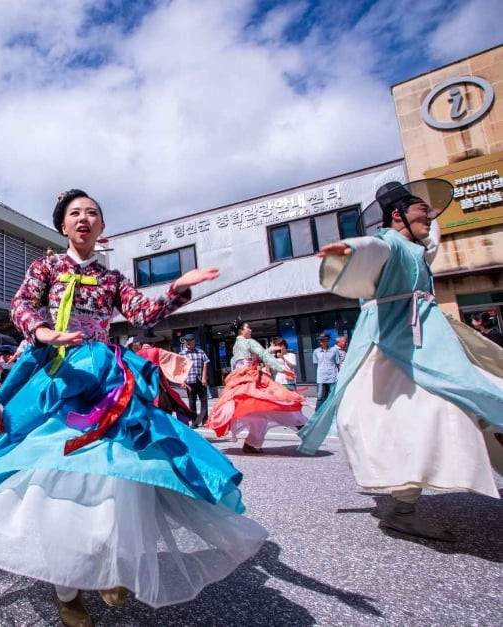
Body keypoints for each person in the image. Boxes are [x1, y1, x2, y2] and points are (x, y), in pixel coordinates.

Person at [0, 189, 266, 625]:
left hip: (106, 376)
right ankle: (66, 589)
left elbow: (142, 313)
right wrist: (43, 332)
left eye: (92, 213)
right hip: (59, 371)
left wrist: (177, 288)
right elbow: (22, 304)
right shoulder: (46, 267)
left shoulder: (112, 277)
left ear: (102, 227)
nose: (84, 219)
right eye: (75, 213)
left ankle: (107, 562)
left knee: (118, 468)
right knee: (57, 469)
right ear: (63, 225)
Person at [298, 179, 503, 542]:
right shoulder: (390, 242)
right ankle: (403, 510)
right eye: (423, 211)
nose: (430, 216)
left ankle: (405, 507)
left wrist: (425, 219)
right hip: (395, 347)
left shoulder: (416, 248)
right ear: (398, 216)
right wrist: (348, 251)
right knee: (432, 415)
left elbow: (431, 240)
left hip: (429, 345)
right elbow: (372, 248)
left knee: (476, 399)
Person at [208, 319, 305, 454]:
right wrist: (283, 369)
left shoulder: (235, 345)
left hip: (239, 379)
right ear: (241, 330)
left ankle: (251, 444)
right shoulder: (249, 342)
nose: (250, 330)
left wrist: (268, 351)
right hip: (251, 378)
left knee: (257, 415)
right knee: (274, 401)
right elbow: (263, 355)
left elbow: (242, 360)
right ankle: (300, 424)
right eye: (248, 328)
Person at [180, 333, 210, 428]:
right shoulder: (182, 354)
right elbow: (180, 369)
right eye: (186, 341)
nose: (188, 342)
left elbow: (206, 362)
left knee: (204, 401)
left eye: (190, 340)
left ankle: (205, 420)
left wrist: (204, 377)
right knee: (192, 402)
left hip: (200, 380)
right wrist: (182, 381)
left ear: (194, 341)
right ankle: (194, 421)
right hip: (189, 381)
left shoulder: (200, 352)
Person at [312, 334, 339, 406]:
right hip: (321, 377)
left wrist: (338, 375)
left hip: (332, 376)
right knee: (320, 396)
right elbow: (316, 363)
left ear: (328, 340)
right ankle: (319, 411)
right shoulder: (316, 351)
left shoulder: (334, 350)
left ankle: (332, 410)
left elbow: (337, 363)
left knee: (332, 395)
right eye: (320, 340)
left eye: (323, 339)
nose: (321, 341)